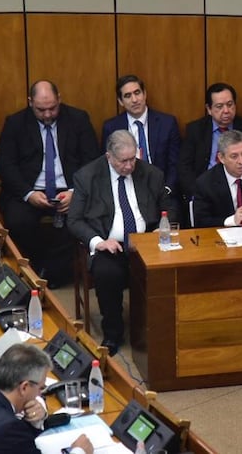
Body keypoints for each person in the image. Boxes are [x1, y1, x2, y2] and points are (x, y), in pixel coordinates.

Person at [67, 130, 175, 356]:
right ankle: (113, 332)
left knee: (169, 270)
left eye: (132, 159)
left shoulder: (150, 173)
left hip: (146, 242)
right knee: (108, 274)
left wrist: (162, 226)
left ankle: (159, 330)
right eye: (123, 161)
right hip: (110, 245)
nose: (129, 166)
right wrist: (98, 242)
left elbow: (170, 205)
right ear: (109, 157)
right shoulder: (87, 176)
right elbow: (74, 220)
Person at [0, 80, 99, 289]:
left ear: (60, 99)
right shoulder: (15, 123)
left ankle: (47, 273)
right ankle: (43, 267)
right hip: (30, 190)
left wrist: (75, 192)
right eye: (41, 110)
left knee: (79, 223)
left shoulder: (78, 119)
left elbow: (92, 161)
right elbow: (5, 165)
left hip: (70, 189)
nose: (48, 115)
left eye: (52, 108)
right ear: (30, 102)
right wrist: (28, 193)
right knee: (17, 221)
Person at [0, 343, 93, 454]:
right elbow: (11, 436)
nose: (40, 395)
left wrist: (33, 422)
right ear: (24, 387)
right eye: (40, 388)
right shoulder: (8, 429)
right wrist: (79, 451)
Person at [101, 74, 181, 209]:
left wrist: (167, 189)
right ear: (120, 101)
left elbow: (175, 163)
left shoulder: (167, 123)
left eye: (137, 93)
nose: (134, 100)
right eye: (127, 96)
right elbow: (107, 165)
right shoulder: (111, 127)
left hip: (162, 190)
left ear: (145, 94)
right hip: (127, 190)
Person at [178, 82, 242, 201]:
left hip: (239, 188)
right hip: (206, 191)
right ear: (209, 109)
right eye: (219, 106)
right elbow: (184, 168)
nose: (226, 111)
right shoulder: (195, 130)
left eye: (230, 104)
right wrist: (197, 194)